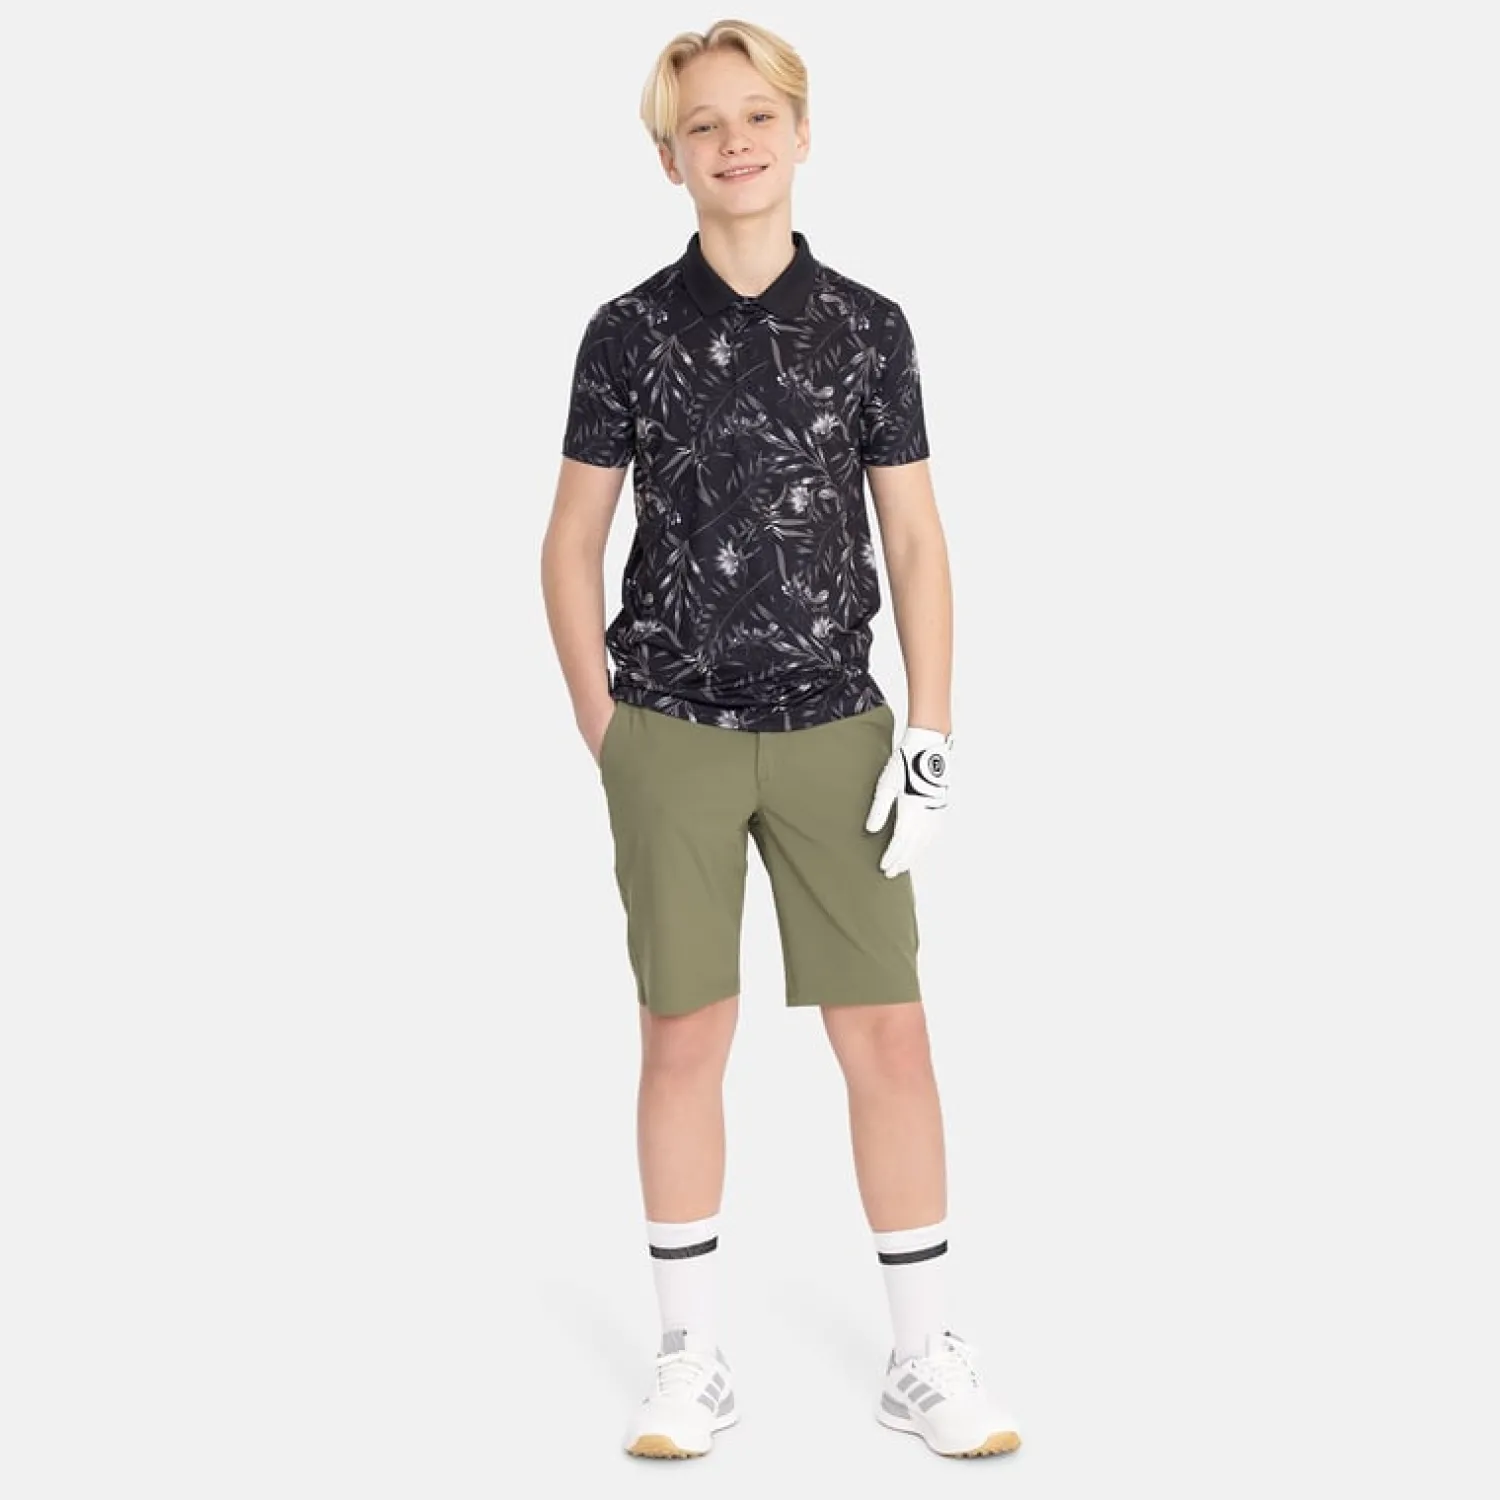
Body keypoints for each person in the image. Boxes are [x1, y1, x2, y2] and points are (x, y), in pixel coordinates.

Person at [539, 17, 1021, 1462]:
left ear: (802, 135)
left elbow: (916, 539)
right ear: (669, 159)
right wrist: (608, 729)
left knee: (890, 1033)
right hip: (670, 730)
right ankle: (689, 1359)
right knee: (683, 1033)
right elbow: (569, 541)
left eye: (757, 116)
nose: (733, 141)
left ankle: (922, 1357)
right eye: (703, 124)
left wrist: (931, 735)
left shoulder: (868, 328)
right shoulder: (627, 332)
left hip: (834, 737)